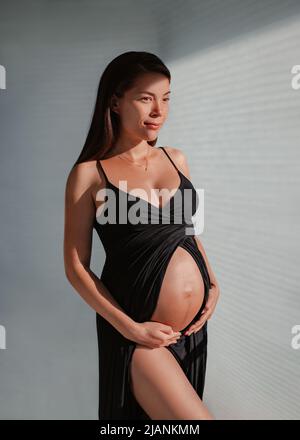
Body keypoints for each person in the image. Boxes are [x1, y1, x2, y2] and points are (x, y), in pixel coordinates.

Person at [64, 51, 220, 420]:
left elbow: (187, 230)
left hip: (190, 333)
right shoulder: (90, 175)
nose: (158, 111)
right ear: (115, 102)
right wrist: (131, 328)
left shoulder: (176, 159)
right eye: (146, 98)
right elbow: (75, 267)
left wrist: (211, 282)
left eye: (166, 99)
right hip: (138, 337)